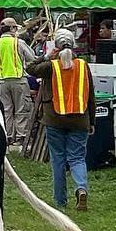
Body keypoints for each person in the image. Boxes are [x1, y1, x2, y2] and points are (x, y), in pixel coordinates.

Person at [29, 30, 95, 210]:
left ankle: (60, 201)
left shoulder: (51, 66)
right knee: (77, 158)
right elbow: (90, 95)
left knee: (58, 159)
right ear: (74, 46)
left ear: (56, 47)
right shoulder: (83, 65)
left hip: (54, 119)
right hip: (80, 118)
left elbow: (30, 68)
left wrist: (46, 56)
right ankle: (81, 188)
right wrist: (92, 121)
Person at [0, 17, 36, 145]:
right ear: (11, 29)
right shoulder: (19, 43)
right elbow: (32, 58)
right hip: (19, 81)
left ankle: (8, 136)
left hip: (2, 82)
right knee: (21, 109)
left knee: (6, 110)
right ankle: (21, 137)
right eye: (15, 27)